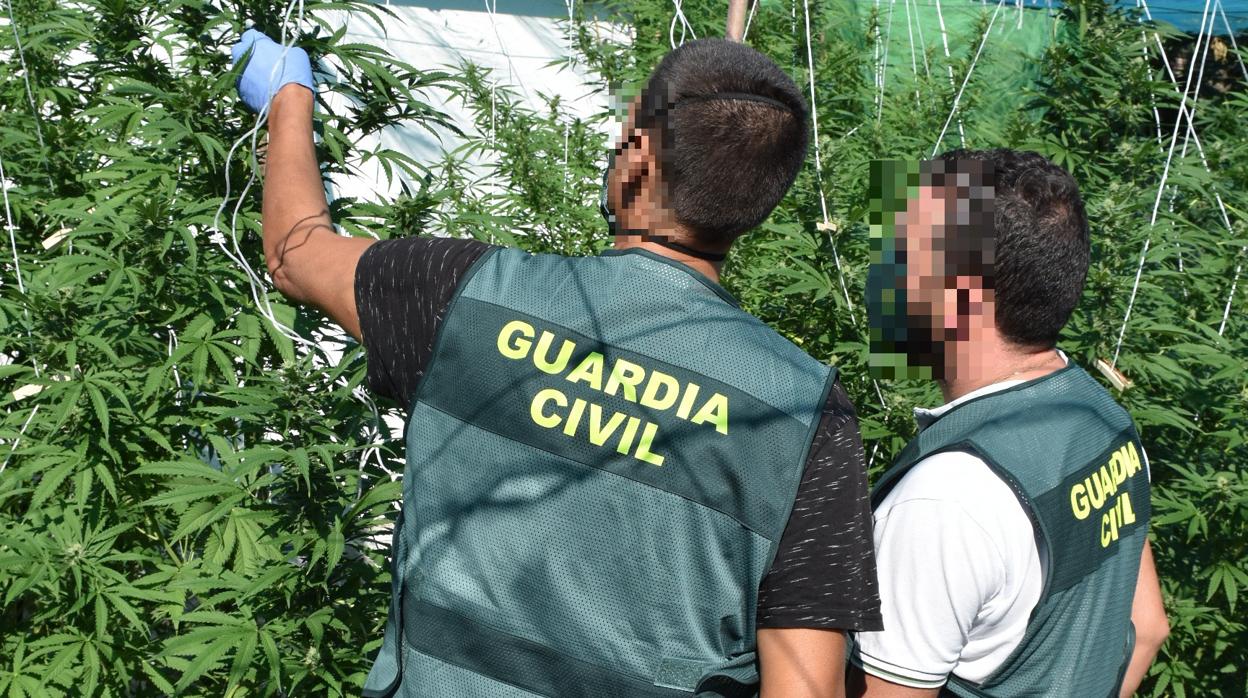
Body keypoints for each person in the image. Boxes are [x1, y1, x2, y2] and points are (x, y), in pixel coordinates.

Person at [231, 29, 882, 698]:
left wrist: (290, 97)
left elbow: (294, 252)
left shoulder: (460, 293)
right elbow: (805, 689)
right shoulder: (807, 412)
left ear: (637, 162)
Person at [848, 150, 1169, 698]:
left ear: (958, 299)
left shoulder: (945, 502)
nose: (882, 282)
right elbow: (1146, 630)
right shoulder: (1100, 418)